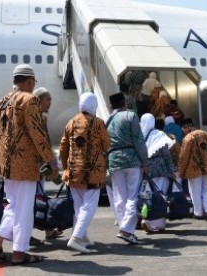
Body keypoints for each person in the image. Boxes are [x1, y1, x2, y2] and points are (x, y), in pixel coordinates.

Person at [0, 64, 58, 265]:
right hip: (25, 165)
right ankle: (19, 252)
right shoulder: (29, 99)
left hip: (7, 165)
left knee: (14, 206)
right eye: (34, 81)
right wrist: (50, 160)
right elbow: (38, 133)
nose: (34, 85)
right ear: (29, 81)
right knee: (24, 210)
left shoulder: (1, 102)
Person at [60, 92, 110, 253]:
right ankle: (75, 238)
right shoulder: (98, 123)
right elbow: (106, 145)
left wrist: (66, 167)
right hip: (92, 173)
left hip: (74, 172)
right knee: (89, 206)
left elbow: (63, 147)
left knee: (79, 206)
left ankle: (82, 237)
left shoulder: (71, 122)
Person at [106, 92, 148, 245]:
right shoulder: (131, 116)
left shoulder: (108, 120)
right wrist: (145, 161)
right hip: (131, 159)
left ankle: (126, 229)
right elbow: (139, 141)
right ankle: (126, 230)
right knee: (133, 195)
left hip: (114, 160)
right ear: (124, 103)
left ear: (111, 105)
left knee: (119, 197)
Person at [30, 87, 63, 244]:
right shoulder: (34, 118)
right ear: (39, 100)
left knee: (40, 197)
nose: (50, 102)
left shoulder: (41, 118)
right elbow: (42, 144)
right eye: (47, 99)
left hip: (41, 166)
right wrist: (53, 165)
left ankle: (48, 230)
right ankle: (25, 235)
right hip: (33, 167)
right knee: (32, 200)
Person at [139, 113, 176, 233]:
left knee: (148, 196)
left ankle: (146, 219)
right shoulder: (159, 134)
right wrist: (172, 170)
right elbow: (166, 154)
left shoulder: (139, 136)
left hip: (146, 170)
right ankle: (158, 224)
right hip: (161, 169)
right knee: (161, 197)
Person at [178, 119, 207, 221]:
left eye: (183, 128)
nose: (183, 131)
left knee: (195, 191)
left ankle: (198, 213)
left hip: (194, 169)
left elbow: (184, 157)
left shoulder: (188, 138)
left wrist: (181, 171)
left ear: (187, 127)